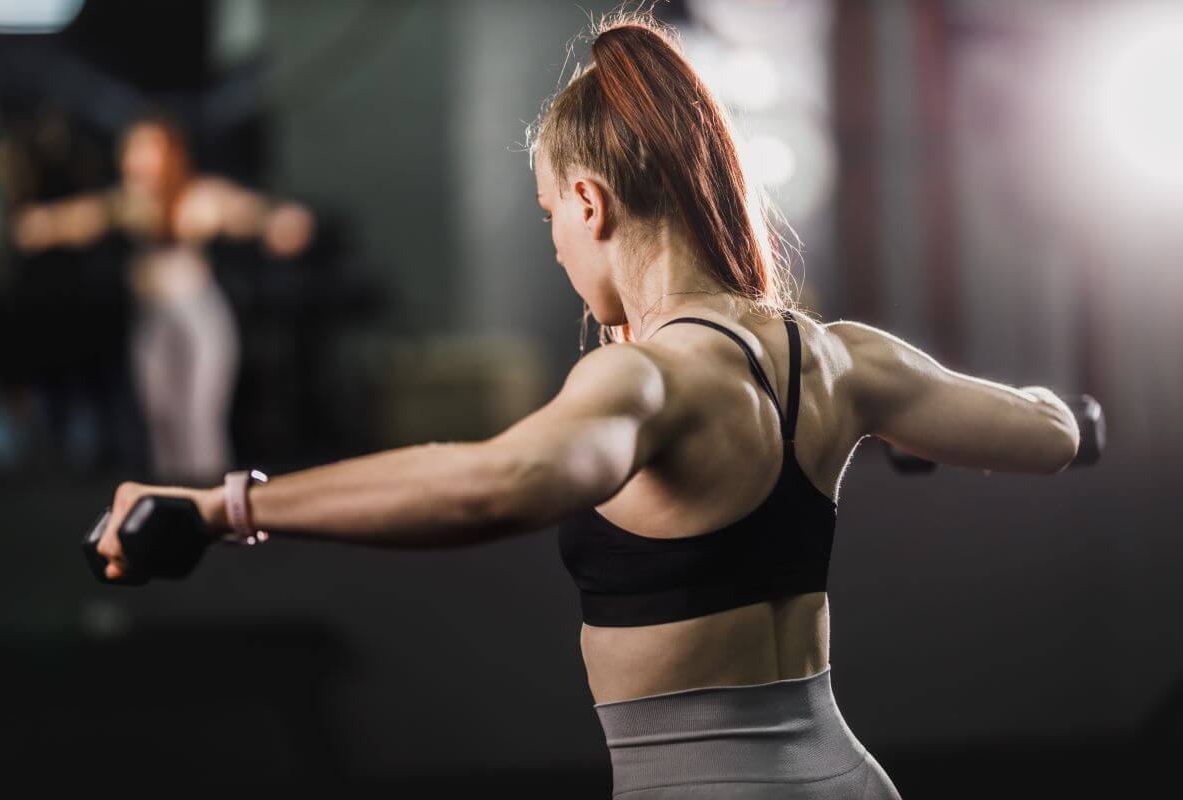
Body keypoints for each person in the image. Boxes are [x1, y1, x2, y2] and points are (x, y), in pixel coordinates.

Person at [94, 15, 1081, 800]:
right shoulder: (843, 359)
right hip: (849, 777)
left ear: (589, 201)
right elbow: (1045, 431)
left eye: (549, 218)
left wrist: (222, 507)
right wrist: (1030, 418)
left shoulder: (644, 381)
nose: (560, 250)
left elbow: (494, 482)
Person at [12, 116, 314, 483]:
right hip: (153, 318)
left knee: (199, 413)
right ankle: (172, 504)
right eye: (131, 148)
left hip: (196, 315)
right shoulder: (129, 202)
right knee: (161, 413)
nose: (134, 158)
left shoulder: (197, 195)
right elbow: (82, 218)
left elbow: (244, 211)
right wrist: (43, 225)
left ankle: (212, 500)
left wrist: (278, 220)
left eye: (145, 148)